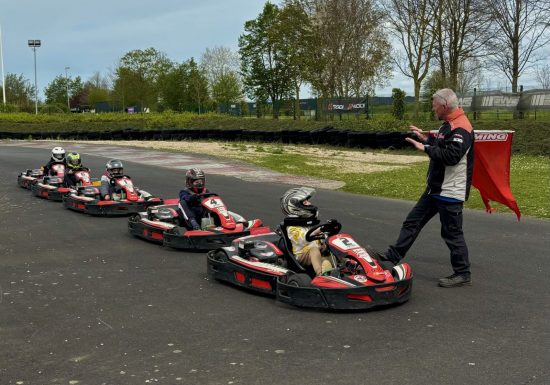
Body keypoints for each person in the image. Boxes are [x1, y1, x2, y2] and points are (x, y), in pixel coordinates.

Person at [381, 88, 475, 288]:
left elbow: (451, 156)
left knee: (452, 234)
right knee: (412, 222)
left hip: (450, 192)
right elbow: (442, 146)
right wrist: (427, 139)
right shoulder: (447, 126)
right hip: (435, 189)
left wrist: (424, 148)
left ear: (444, 105)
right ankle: (391, 257)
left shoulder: (461, 128)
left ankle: (462, 273)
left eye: (434, 105)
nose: (432, 108)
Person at [280, 187, 333, 276]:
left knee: (330, 247)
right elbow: (304, 238)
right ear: (295, 208)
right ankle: (321, 274)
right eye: (305, 202)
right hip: (302, 255)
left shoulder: (308, 223)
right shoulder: (292, 227)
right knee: (314, 250)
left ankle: (348, 265)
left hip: (316, 249)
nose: (309, 203)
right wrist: (319, 230)